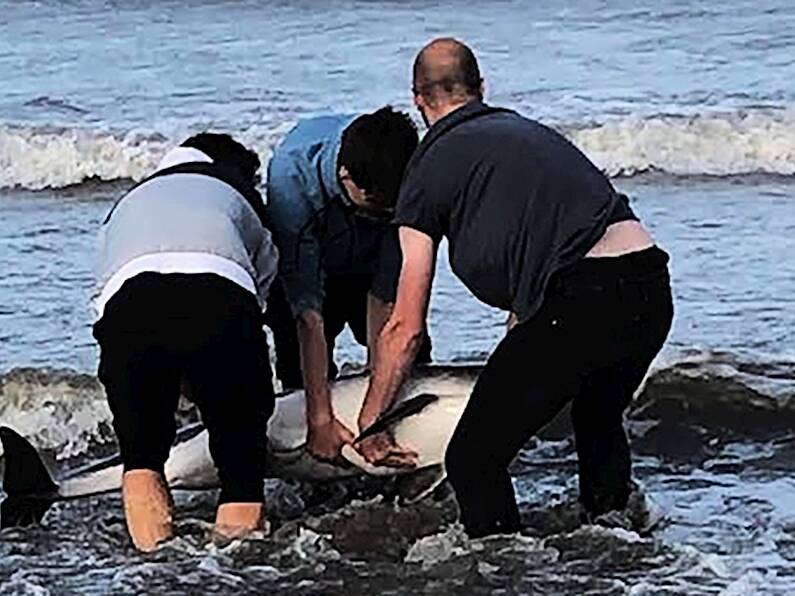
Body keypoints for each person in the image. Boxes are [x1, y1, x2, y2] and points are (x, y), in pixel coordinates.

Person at [355, 38, 674, 538]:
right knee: (597, 417)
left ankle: (506, 570)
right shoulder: (528, 135)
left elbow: (406, 326)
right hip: (651, 288)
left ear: (418, 100)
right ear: (481, 89)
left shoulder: (425, 173)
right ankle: (622, 547)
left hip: (583, 296)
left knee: (472, 460)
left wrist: (371, 423)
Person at [92, 133, 278, 551]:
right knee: (240, 461)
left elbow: (103, 300)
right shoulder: (240, 193)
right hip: (220, 300)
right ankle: (233, 569)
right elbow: (261, 292)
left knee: (141, 458)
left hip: (128, 312)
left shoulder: (126, 203)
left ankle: (156, 565)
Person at [263, 107, 431, 463]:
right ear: (346, 177)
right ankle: (314, 456)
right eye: (376, 206)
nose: (386, 212)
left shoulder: (402, 171)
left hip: (368, 260)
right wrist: (320, 417)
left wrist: (378, 406)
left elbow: (385, 301)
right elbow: (307, 313)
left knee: (408, 359)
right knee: (300, 363)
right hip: (311, 261)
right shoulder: (291, 178)